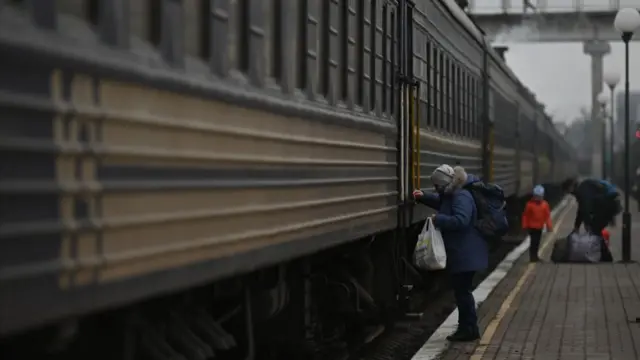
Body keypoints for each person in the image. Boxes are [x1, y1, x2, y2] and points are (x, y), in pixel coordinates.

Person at [413, 165, 488, 342]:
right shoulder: (453, 194)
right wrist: (423, 197)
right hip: (462, 252)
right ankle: (467, 328)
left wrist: (438, 219)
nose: (436, 189)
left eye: (437, 186)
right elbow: (441, 201)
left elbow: (461, 220)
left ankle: (469, 330)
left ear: (445, 183)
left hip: (465, 253)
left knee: (463, 293)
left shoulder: (461, 196)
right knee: (462, 292)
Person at [521, 185, 553, 262]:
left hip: (539, 227)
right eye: (536, 196)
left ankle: (535, 256)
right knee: (533, 241)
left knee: (537, 242)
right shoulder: (529, 205)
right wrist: (525, 225)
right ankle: (532, 257)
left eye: (540, 197)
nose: (538, 198)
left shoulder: (545, 205)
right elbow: (525, 215)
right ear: (534, 196)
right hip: (531, 227)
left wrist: (549, 226)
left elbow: (547, 216)